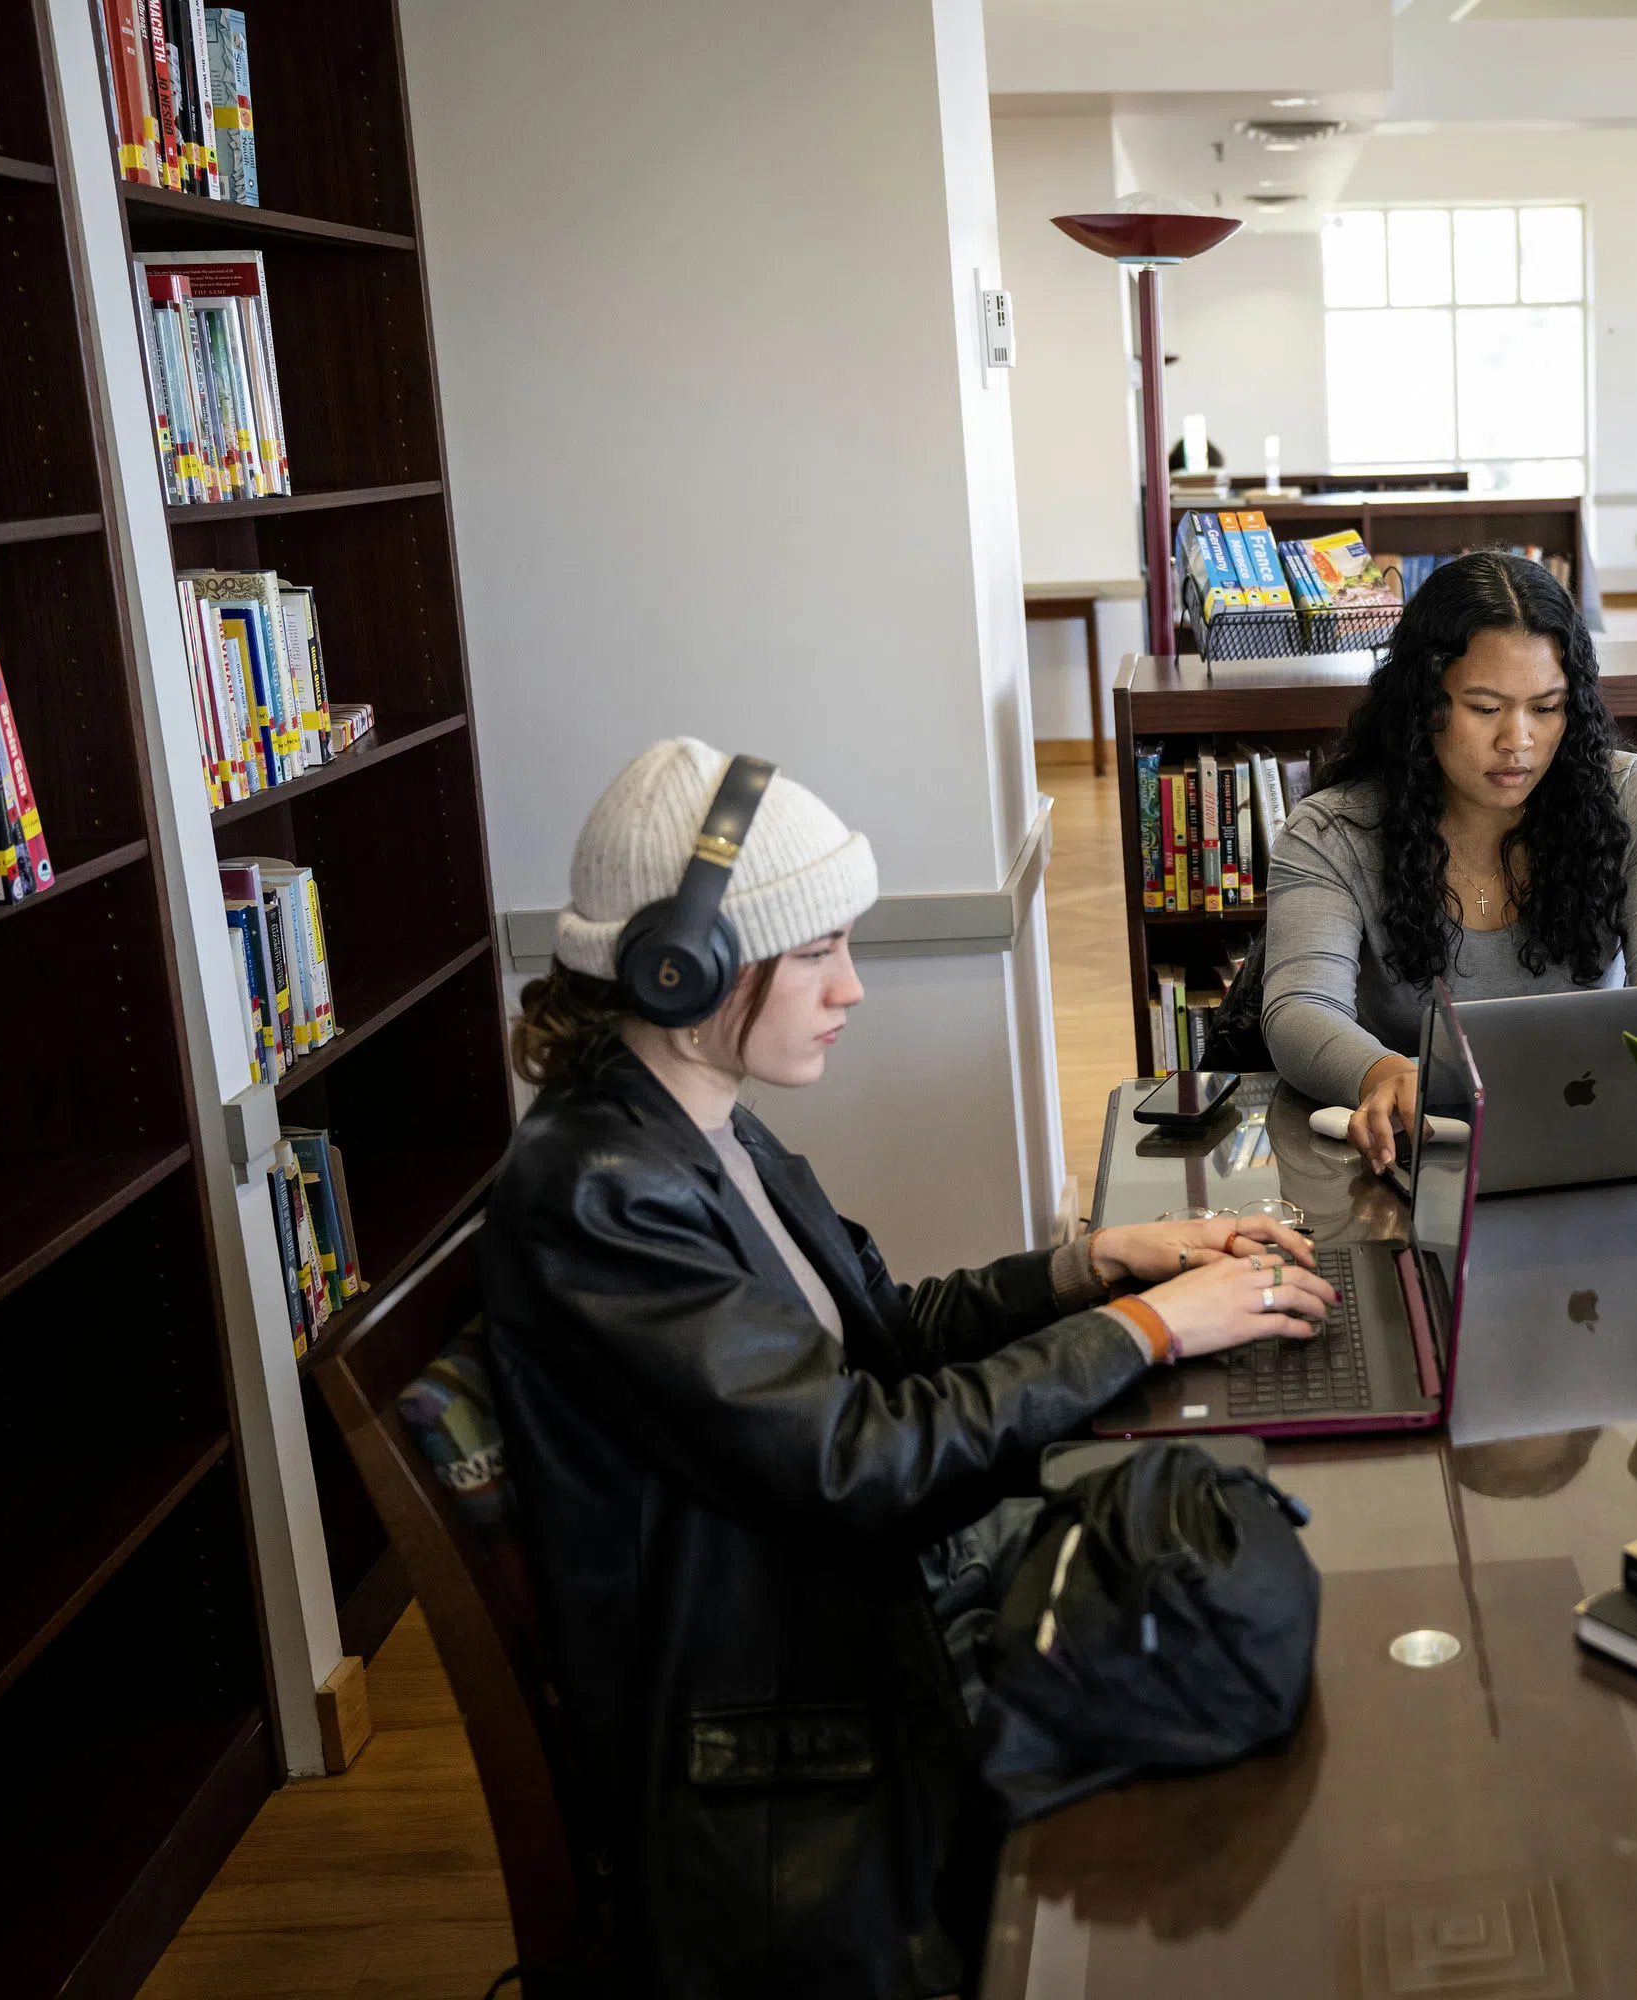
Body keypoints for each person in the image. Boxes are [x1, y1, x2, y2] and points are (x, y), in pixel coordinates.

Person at [483, 738, 1339, 1999]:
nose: (852, 987)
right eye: (818, 949)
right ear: (688, 968)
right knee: (1237, 1703)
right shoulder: (602, 1195)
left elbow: (881, 1329)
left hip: (839, 1626)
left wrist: (1100, 1263)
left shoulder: (701, 1125)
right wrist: (1155, 1329)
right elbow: (860, 1460)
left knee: (1221, 1593)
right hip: (785, 1742)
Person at [1263, 552, 1637, 1169]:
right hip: (1411, 1153)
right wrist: (1381, 1072)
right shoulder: (1332, 832)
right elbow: (1300, 1009)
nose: (1519, 741)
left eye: (1547, 706)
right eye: (1485, 708)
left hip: (1593, 1142)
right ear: (1424, 702)